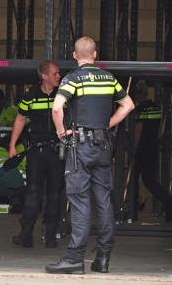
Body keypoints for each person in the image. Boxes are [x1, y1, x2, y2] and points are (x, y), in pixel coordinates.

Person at [46, 36, 134, 274]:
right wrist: (108, 124)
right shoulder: (109, 78)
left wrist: (61, 133)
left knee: (79, 200)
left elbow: (56, 108)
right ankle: (103, 258)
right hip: (103, 146)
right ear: (95, 54)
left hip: (80, 148)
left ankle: (75, 258)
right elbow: (128, 105)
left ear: (75, 56)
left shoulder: (73, 79)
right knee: (104, 201)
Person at [8, 60, 65, 248]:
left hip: (57, 150)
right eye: (55, 73)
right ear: (44, 76)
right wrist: (12, 145)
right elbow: (20, 118)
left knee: (55, 193)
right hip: (36, 151)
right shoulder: (30, 95)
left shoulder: (63, 94)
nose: (58, 76)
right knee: (33, 192)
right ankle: (26, 234)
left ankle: (50, 235)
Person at [125, 80, 172, 223]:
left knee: (133, 180)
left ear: (137, 95)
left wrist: (132, 149)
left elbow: (138, 130)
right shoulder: (156, 107)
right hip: (152, 148)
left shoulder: (140, 109)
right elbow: (159, 130)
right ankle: (169, 202)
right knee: (149, 180)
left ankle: (133, 211)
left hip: (141, 150)